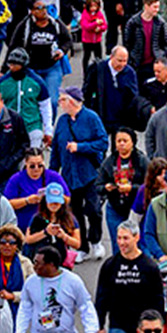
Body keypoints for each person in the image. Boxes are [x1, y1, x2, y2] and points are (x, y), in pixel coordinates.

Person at [14, 246, 103, 333]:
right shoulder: (31, 282)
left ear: (51, 265)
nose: (34, 266)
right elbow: (24, 310)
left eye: (38, 263)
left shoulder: (73, 282)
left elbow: (86, 308)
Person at [48, 88, 107, 262]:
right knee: (74, 213)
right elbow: (56, 150)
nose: (60, 103)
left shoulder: (91, 118)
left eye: (62, 100)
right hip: (68, 176)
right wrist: (52, 174)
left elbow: (103, 142)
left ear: (72, 102)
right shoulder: (62, 121)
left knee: (94, 210)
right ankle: (81, 247)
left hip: (89, 174)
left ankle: (95, 240)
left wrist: (80, 147)